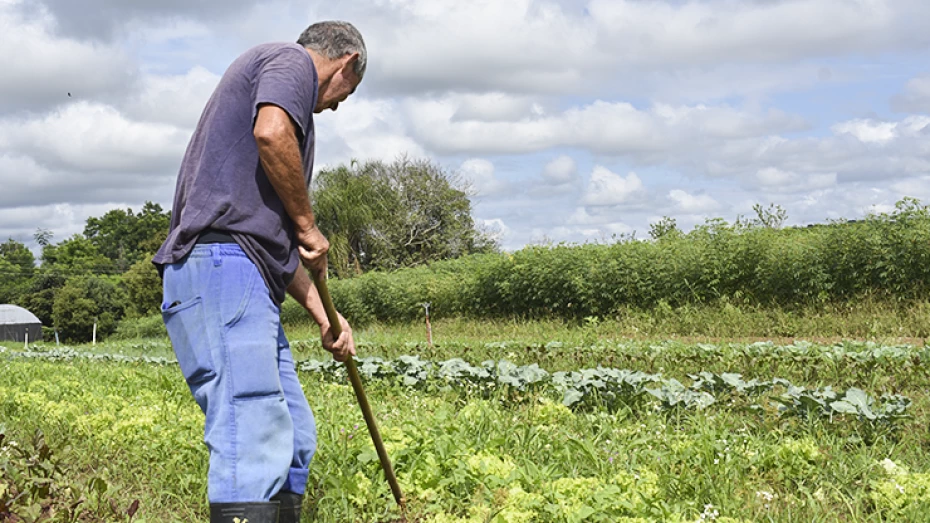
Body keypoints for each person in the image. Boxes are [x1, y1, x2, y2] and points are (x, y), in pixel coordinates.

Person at [152, 21, 365, 523]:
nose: (336, 107)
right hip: (222, 266)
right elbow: (271, 133)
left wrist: (325, 316)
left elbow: (275, 251)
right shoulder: (290, 61)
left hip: (248, 269)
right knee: (250, 430)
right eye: (346, 94)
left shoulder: (288, 104)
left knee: (293, 437)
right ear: (348, 61)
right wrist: (307, 225)